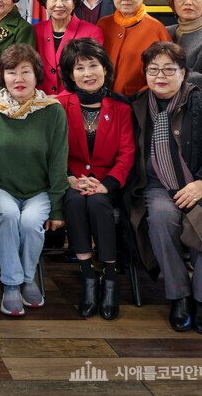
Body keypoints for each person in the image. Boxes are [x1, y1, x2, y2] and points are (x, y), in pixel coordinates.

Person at [126, 42, 202, 335]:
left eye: (170, 69)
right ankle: (179, 296)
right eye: (153, 69)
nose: (161, 76)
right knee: (160, 218)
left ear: (184, 73)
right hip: (155, 185)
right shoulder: (135, 104)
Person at [0, 44, 68, 316]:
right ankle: (12, 284)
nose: (19, 79)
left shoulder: (53, 111)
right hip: (0, 187)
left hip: (40, 190)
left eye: (26, 71)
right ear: (2, 76)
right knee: (9, 216)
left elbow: (58, 162)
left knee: (30, 222)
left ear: (37, 75)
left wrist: (58, 207)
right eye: (11, 72)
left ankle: (27, 278)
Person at [57, 38, 134, 320]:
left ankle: (110, 278)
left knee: (100, 203)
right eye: (80, 67)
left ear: (105, 68)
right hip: (72, 181)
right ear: (70, 73)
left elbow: (127, 154)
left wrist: (108, 184)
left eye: (94, 65)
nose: (88, 73)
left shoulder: (122, 107)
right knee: (76, 203)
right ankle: (89, 277)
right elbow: (53, 151)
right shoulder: (59, 105)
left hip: (109, 181)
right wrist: (69, 179)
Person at [98, 0, 172, 97]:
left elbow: (167, 74)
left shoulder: (157, 29)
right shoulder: (103, 25)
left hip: (138, 106)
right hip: (102, 104)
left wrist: (138, 99)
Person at [34, 0, 104, 96]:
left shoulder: (92, 32)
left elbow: (94, 72)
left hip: (77, 102)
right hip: (40, 103)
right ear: (45, 1)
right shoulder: (35, 30)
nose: (59, 4)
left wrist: (61, 99)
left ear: (74, 2)